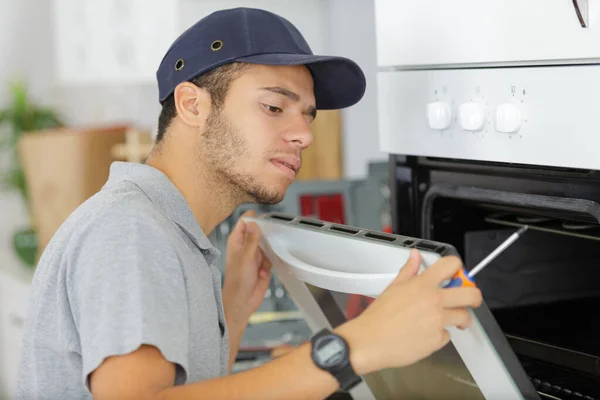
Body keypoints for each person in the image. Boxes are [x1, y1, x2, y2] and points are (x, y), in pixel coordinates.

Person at [15, 7, 482, 400]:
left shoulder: (167, 230)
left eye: (307, 114)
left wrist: (232, 309)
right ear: (193, 106)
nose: (304, 133)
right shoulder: (131, 230)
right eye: (275, 107)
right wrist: (353, 347)